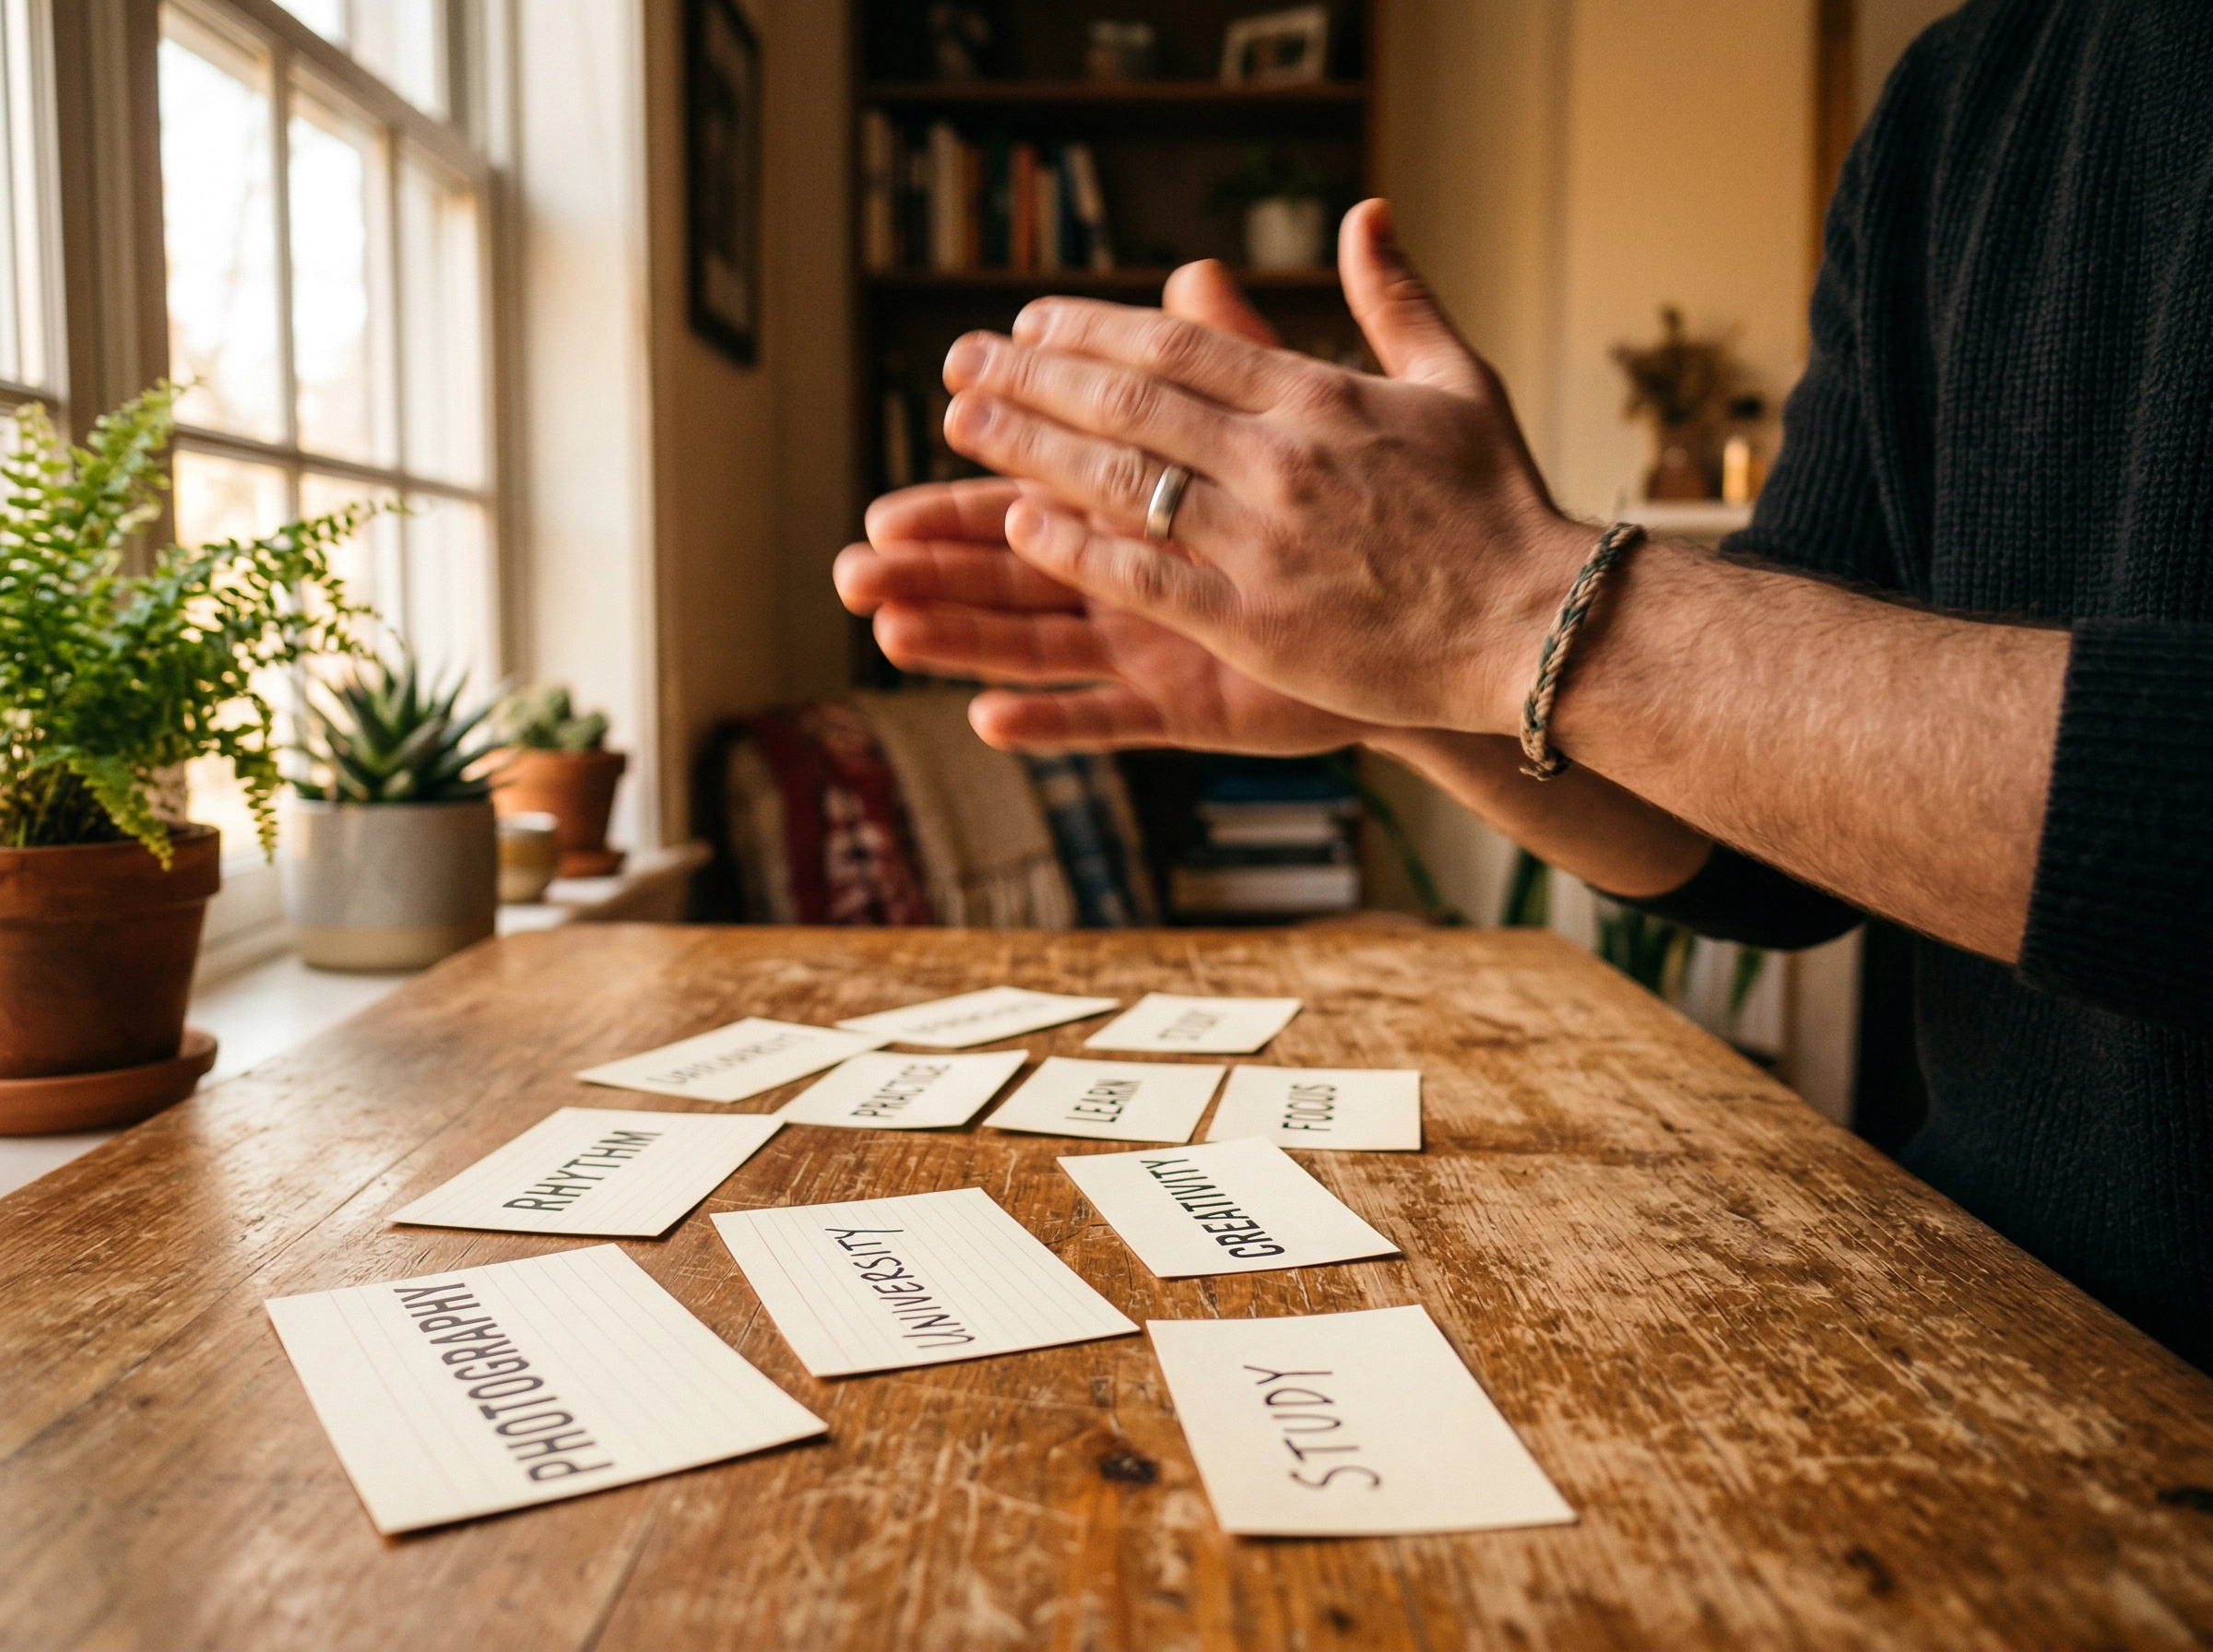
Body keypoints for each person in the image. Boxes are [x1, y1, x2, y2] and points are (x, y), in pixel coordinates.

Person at [834, 0, 2211, 1370]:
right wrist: (1395, 679)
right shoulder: (1959, 94)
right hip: (2000, 1327)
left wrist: (1508, 606)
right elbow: (1775, 856)